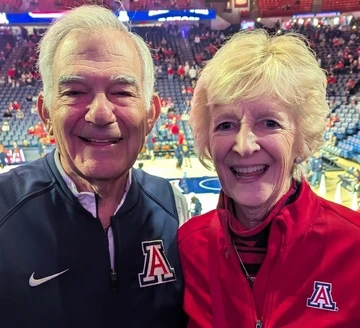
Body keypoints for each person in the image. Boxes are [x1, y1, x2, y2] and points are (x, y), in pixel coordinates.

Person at [0, 5, 186, 328]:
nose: (101, 113)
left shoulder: (175, 209)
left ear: (151, 114)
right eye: (75, 92)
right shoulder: (4, 211)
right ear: (46, 114)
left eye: (121, 91)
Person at [178, 30, 360, 327]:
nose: (244, 145)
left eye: (269, 122)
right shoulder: (188, 247)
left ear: (302, 136)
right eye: (225, 124)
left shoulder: (354, 247)